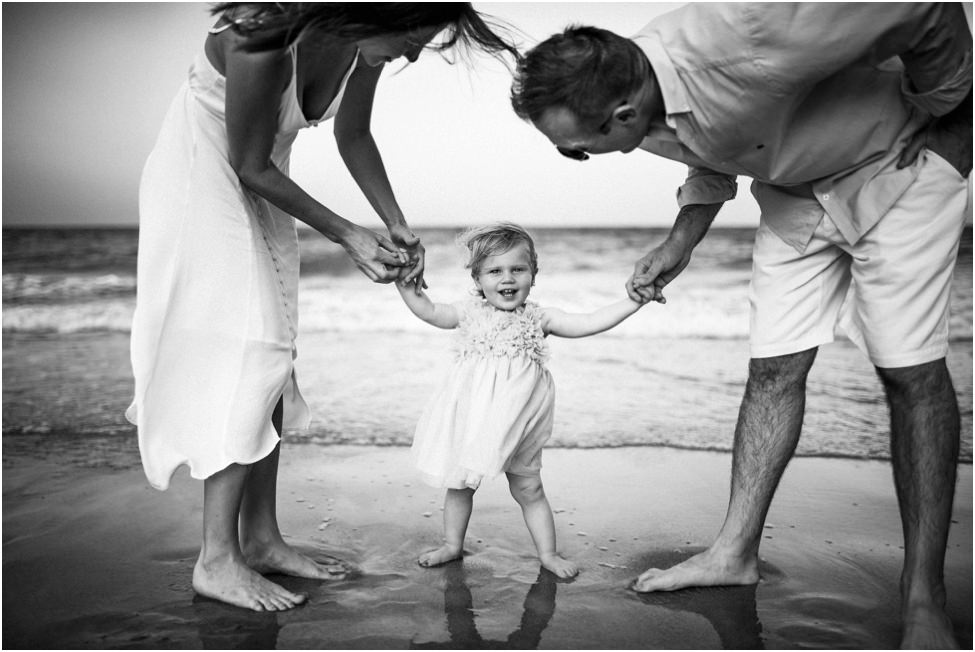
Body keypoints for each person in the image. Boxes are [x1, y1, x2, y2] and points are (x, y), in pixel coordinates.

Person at [509, 3, 971, 648]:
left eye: (578, 149)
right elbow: (715, 143)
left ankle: (925, 597)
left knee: (908, 372)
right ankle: (734, 553)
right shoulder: (632, 83)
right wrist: (682, 241)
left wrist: (952, 110)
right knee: (773, 367)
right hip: (793, 189)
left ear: (623, 116)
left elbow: (925, 7)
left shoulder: (756, 29)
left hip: (898, 166)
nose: (575, 155)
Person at [126, 3, 518, 612]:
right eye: (412, 38)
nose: (413, 55)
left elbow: (352, 134)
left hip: (264, 181)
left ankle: (260, 538)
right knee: (246, 346)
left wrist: (393, 223)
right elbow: (246, 162)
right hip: (203, 176)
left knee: (278, 350)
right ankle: (216, 559)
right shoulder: (261, 38)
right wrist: (346, 233)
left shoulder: (363, 45)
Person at [394, 223, 646, 578]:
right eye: (495, 271)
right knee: (459, 483)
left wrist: (635, 300)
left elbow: (589, 322)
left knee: (529, 487)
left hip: (520, 422)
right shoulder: (468, 312)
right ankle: (452, 545)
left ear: (534, 274)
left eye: (518, 269)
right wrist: (404, 285)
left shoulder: (539, 318)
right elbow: (430, 311)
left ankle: (548, 554)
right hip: (474, 418)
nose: (507, 278)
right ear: (477, 278)